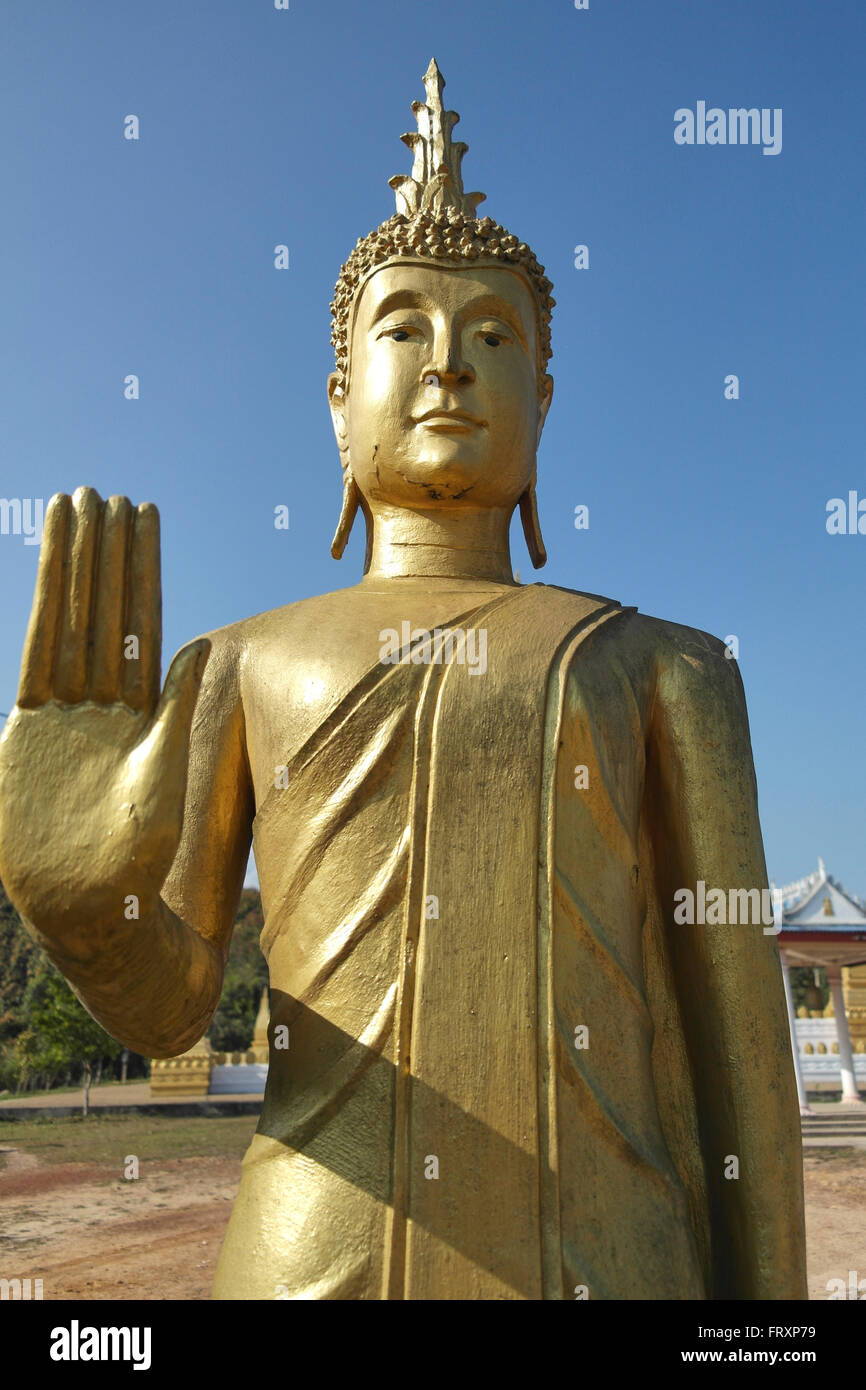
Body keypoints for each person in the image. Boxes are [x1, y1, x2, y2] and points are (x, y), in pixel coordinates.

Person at [0, 59, 806, 1300]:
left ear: (542, 400)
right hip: (307, 1257)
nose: (447, 365)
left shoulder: (664, 667)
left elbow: (740, 1049)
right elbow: (172, 1008)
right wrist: (78, 910)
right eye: (404, 331)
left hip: (606, 1261)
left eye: (491, 335)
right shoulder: (237, 661)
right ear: (338, 406)